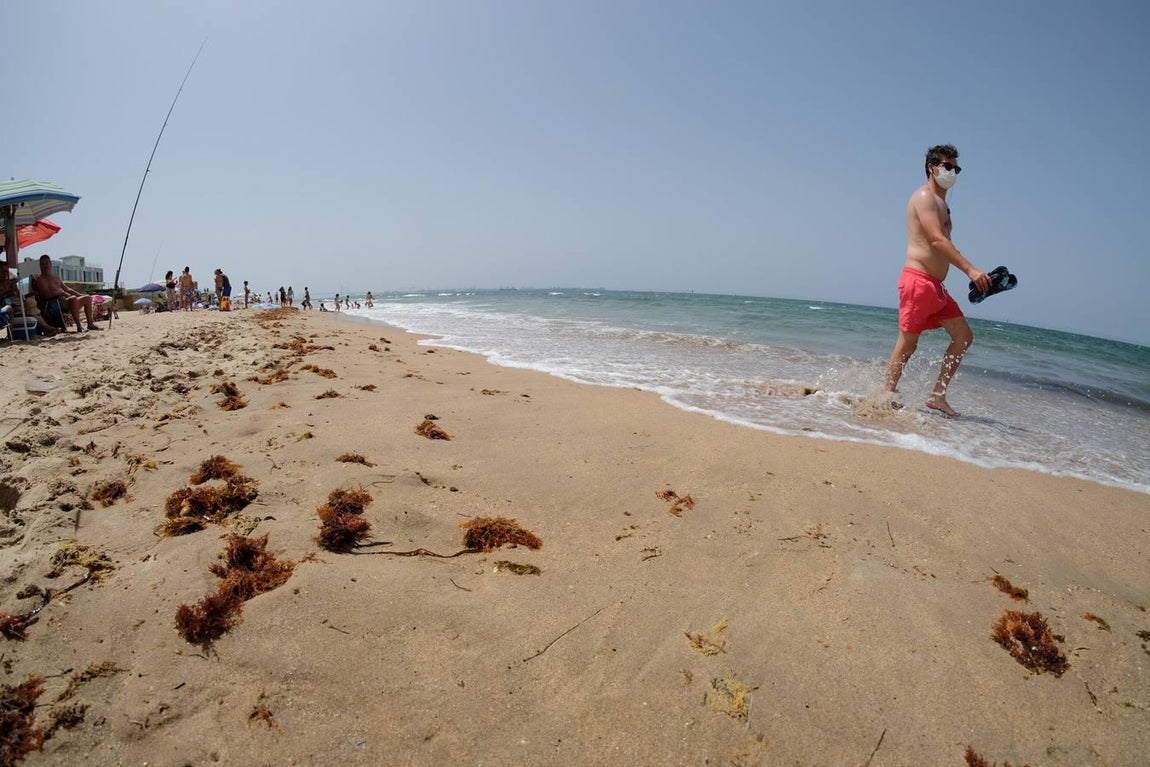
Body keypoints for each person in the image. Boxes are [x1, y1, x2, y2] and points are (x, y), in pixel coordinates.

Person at [884, 145, 991, 418]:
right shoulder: (924, 197)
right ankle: (886, 395)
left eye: (956, 168)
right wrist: (970, 270)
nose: (952, 172)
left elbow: (945, 245)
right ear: (932, 168)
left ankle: (937, 396)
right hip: (918, 281)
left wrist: (975, 274)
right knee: (908, 344)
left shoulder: (943, 204)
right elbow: (935, 240)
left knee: (963, 337)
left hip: (936, 288)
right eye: (947, 166)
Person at [30, 254, 101, 331]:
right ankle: (79, 326)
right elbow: (46, 294)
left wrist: (80, 295)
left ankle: (90, 324)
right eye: (43, 264)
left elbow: (67, 289)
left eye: (47, 263)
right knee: (73, 299)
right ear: (40, 266)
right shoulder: (40, 280)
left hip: (64, 301)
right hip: (53, 305)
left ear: (50, 263)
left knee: (87, 298)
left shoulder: (56, 277)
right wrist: (62, 293)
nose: (45, 266)